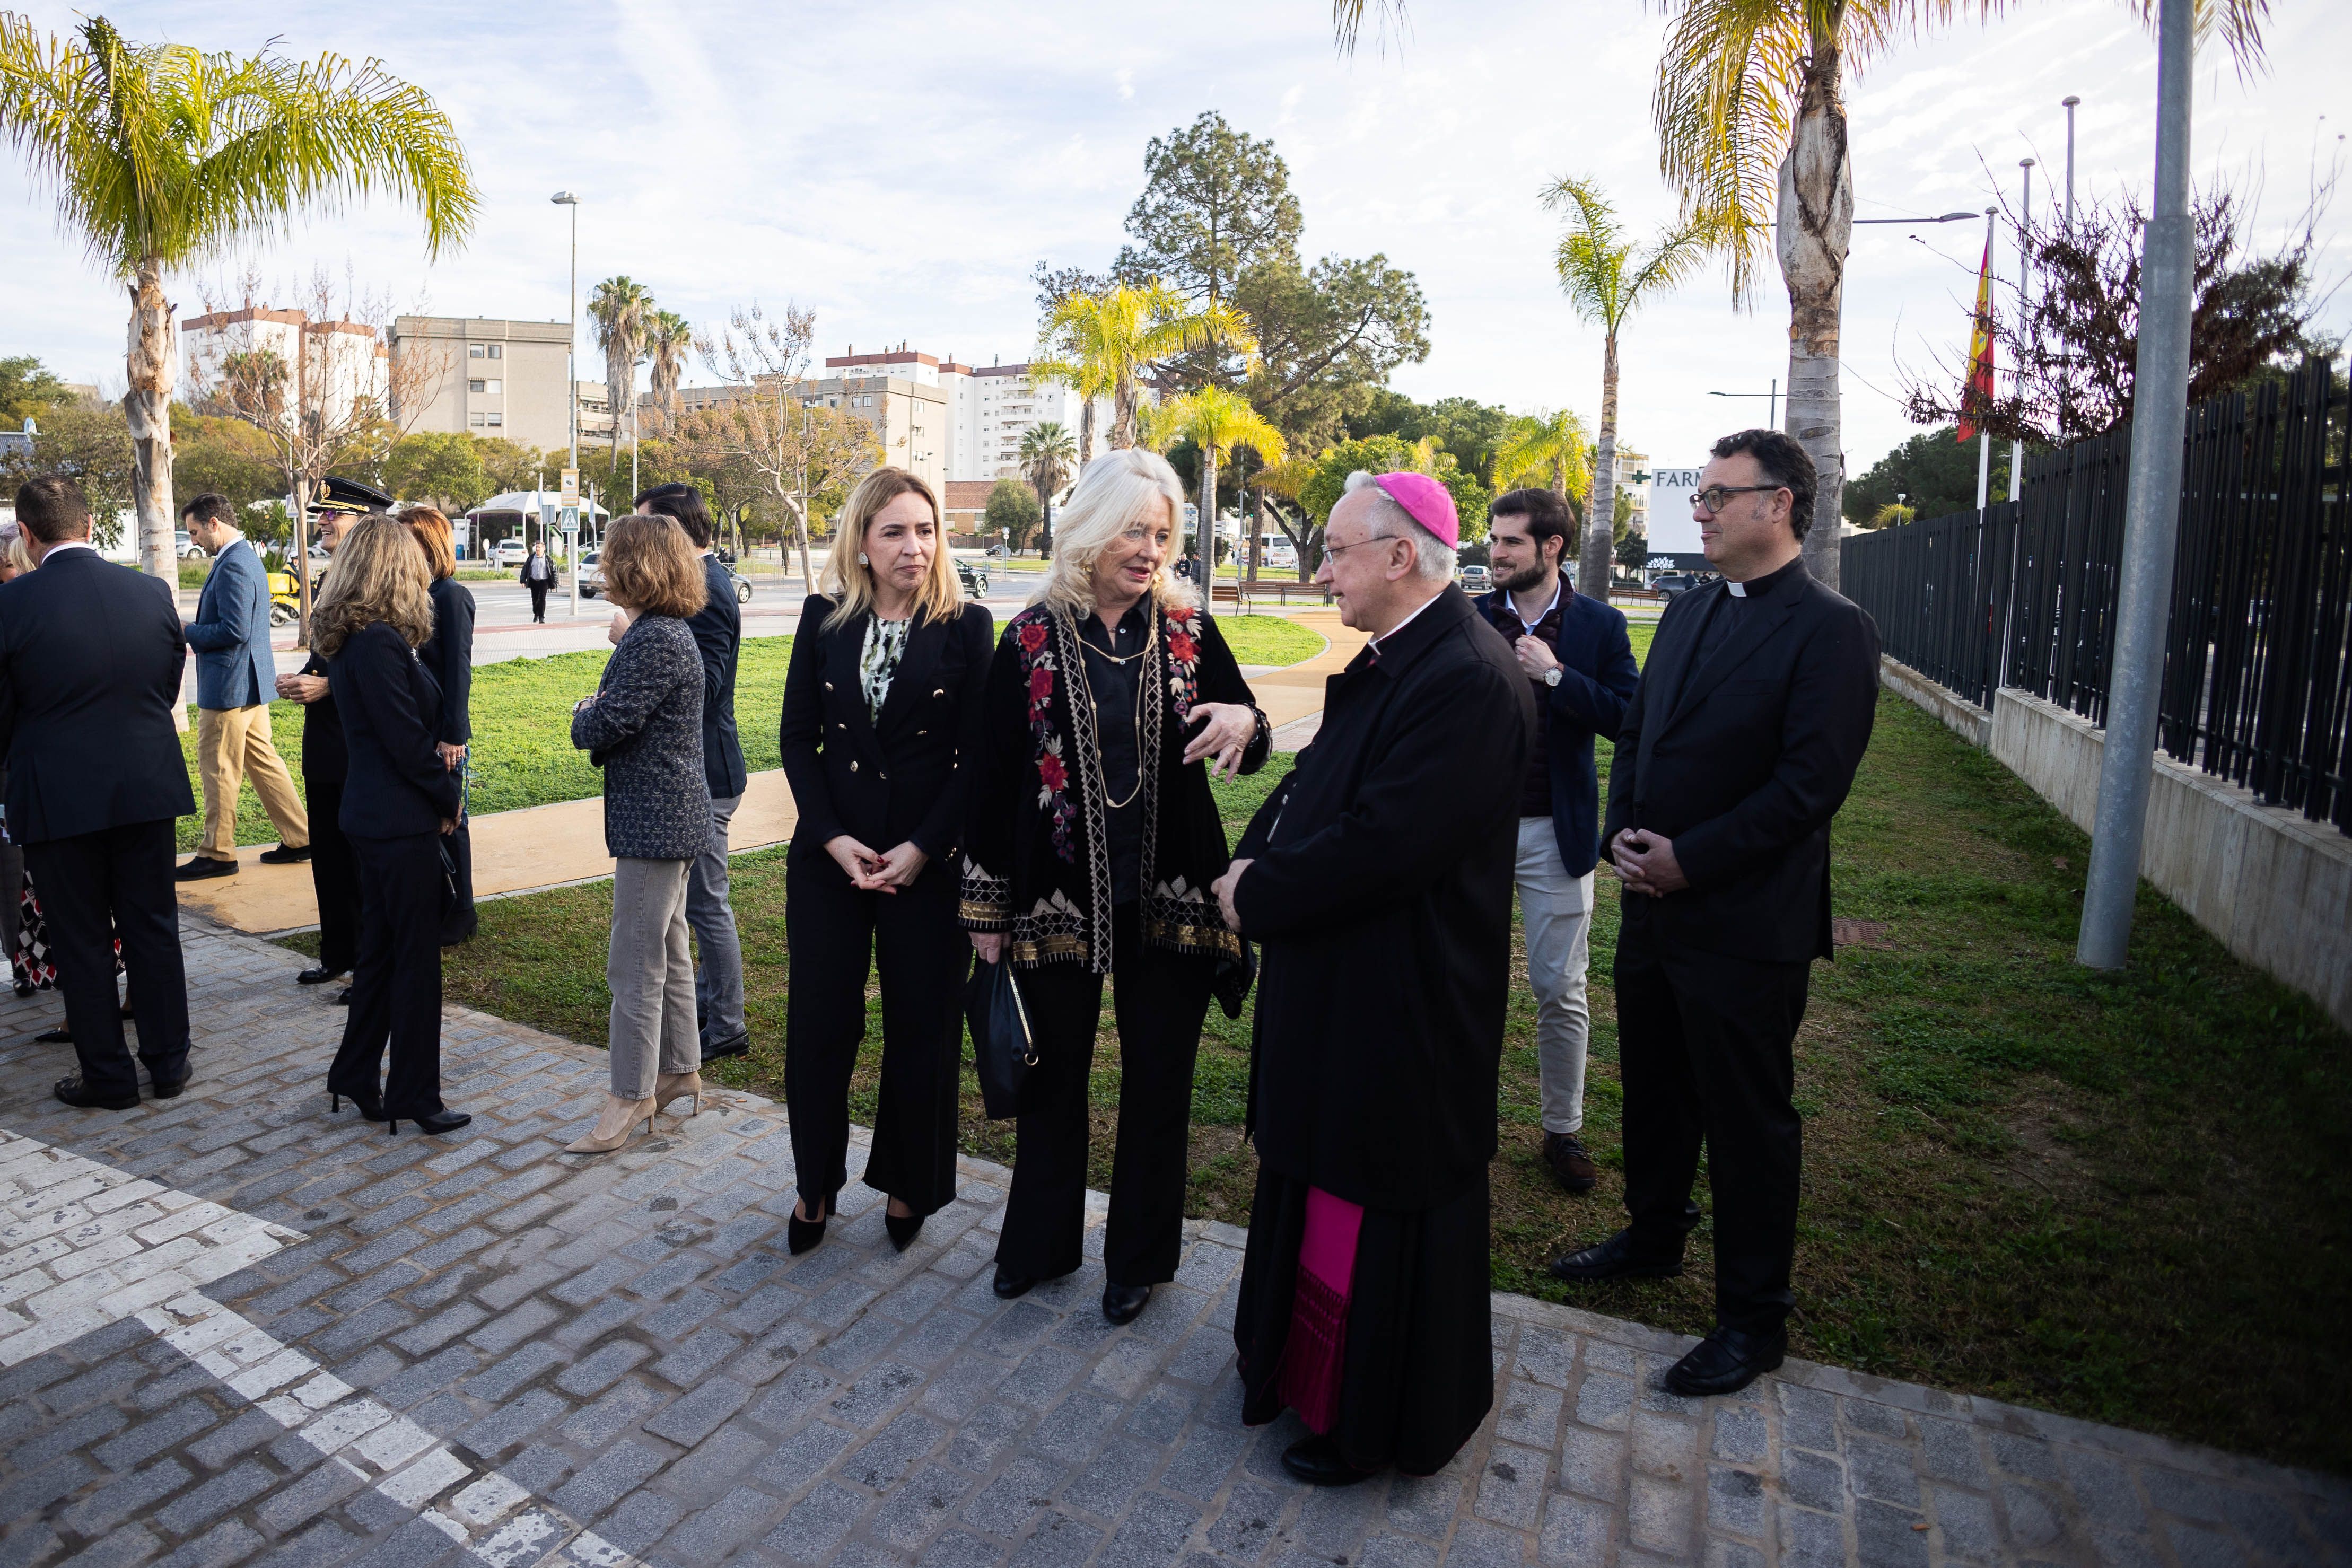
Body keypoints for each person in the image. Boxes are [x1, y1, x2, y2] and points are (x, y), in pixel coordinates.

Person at [1549, 430, 1881, 1397]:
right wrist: (1621, 837)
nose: (1699, 509)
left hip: (1746, 922)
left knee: (1747, 1119)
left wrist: (1691, 860)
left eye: (1717, 495)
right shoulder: (1691, 612)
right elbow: (1642, 732)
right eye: (1700, 493)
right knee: (1654, 1087)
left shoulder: (1832, 627)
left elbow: (1810, 785)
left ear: (1776, 505)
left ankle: (1753, 1319)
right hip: (1655, 908)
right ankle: (1654, 1237)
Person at [1213, 471, 1528, 1485]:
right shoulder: (1406, 655)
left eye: (1338, 550)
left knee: (1371, 1199)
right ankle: (1289, 1366)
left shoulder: (1466, 678)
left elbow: (1385, 845)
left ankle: (1367, 1418)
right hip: (1347, 987)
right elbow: (1321, 786)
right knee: (1316, 1173)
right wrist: (1258, 857)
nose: (1320, 569)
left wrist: (1255, 894)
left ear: (1402, 557)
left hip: (1403, 1005)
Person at [962, 448, 1269, 1325]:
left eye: (1163, 534)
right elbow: (989, 783)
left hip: (1171, 893)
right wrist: (985, 910)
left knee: (1159, 1082)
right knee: (1052, 1079)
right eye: (1135, 529)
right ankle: (1041, 1246)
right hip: (1054, 896)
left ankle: (1138, 1257)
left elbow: (1249, 743)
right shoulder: (1025, 639)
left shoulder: (1191, 631)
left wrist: (1247, 720)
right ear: (1092, 530)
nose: (1150, 549)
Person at [779, 469, 993, 1256]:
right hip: (830, 857)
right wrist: (832, 837)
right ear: (862, 544)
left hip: (923, 863)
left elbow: (979, 757)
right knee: (822, 1024)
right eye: (895, 532)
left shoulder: (967, 626)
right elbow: (798, 737)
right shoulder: (823, 619)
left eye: (926, 530)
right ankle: (815, 1185)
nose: (915, 546)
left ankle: (909, 1181)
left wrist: (921, 848)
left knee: (922, 1026)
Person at [0, 477, 197, 1109]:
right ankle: (169, 1064)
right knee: (153, 927)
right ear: (89, 526)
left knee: (81, 938)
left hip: (57, 796)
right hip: (145, 784)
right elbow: (165, 686)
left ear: (27, 536)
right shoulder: (150, 591)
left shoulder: (12, 604)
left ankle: (109, 1078)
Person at [1476, 488, 1640, 1194]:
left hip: (1557, 832)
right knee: (1466, 982)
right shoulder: (1471, 616)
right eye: (1492, 539)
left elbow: (1628, 718)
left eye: (1510, 541)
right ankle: (1462, 1124)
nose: (1494, 553)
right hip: (1471, 833)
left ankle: (1561, 1131)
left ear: (1551, 547)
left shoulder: (1599, 626)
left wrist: (1553, 674)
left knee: (1558, 987)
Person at [317, 516, 469, 1137]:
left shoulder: (362, 638)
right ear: (391, 567)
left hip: (377, 815)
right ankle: (415, 1092)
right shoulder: (375, 641)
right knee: (413, 963)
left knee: (381, 954)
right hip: (395, 819)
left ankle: (355, 1071)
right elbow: (408, 744)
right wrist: (448, 795)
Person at [566, 513, 711, 1153]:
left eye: (610, 555)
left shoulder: (653, 638)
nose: (602, 564)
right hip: (667, 818)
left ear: (637, 565)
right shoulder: (660, 631)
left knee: (634, 964)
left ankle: (630, 1094)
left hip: (656, 824)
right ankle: (679, 1069)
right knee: (669, 950)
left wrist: (583, 712)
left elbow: (606, 725)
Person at [634, 483, 749, 1063]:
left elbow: (703, 687)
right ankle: (707, 1003)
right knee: (692, 903)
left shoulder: (707, 587)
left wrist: (632, 639)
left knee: (705, 902)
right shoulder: (697, 584)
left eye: (645, 529)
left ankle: (727, 1021)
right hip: (695, 768)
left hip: (705, 771)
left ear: (673, 533)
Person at [278, 477, 387, 1001]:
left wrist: (326, 684)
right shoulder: (330, 579)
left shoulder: (378, 582)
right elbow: (327, 658)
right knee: (327, 854)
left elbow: (386, 672)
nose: (323, 521)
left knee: (360, 863)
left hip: (359, 743)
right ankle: (337, 954)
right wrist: (303, 677)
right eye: (322, 514)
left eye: (334, 515)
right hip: (325, 742)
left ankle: (368, 968)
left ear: (364, 522)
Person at [178, 491, 308, 879]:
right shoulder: (245, 556)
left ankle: (218, 853)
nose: (194, 540)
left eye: (196, 531)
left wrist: (190, 632)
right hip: (250, 684)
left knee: (218, 768)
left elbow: (234, 629)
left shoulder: (233, 563)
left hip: (230, 687)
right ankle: (301, 836)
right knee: (263, 762)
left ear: (215, 523)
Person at [405, 507, 477, 944]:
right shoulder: (417, 593)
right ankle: (440, 903)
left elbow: (459, 672)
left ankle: (462, 909)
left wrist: (454, 735)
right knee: (432, 818)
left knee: (452, 819)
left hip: (443, 731)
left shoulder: (451, 595)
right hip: (418, 725)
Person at [519, 538, 557, 623]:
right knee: (535, 599)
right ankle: (536, 614)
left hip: (544, 581)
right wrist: (523, 581)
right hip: (534, 581)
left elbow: (554, 572)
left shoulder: (548, 559)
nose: (537, 549)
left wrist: (554, 584)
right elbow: (525, 569)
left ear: (544, 549)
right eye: (536, 547)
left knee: (542, 599)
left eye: (539, 547)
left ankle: (541, 617)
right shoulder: (531, 558)